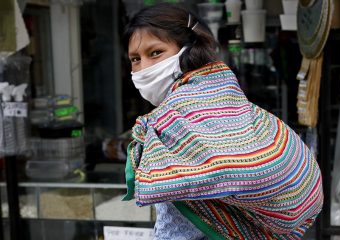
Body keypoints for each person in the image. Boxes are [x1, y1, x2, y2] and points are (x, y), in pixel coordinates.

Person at [122, 3, 323, 239]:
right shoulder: (222, 97)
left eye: (155, 53)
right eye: (135, 59)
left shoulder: (174, 123)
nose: (144, 67)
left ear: (186, 50)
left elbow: (174, 229)